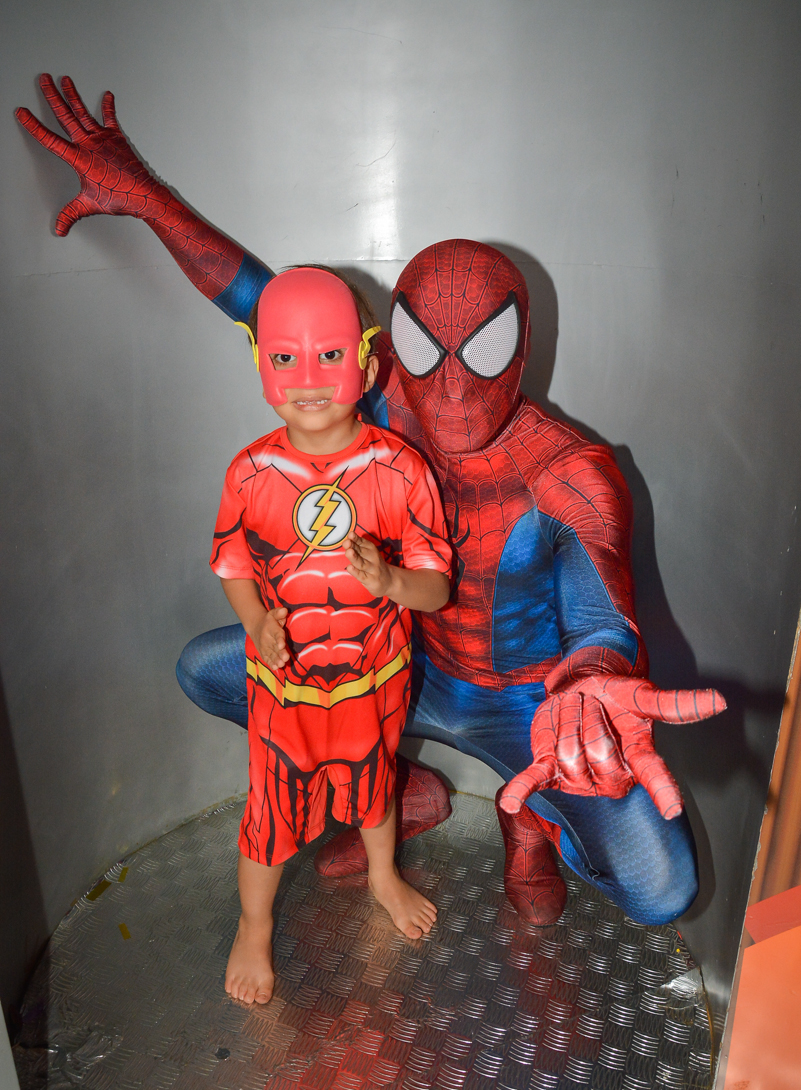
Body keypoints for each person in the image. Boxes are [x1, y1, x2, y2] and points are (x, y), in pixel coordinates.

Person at [16, 77, 725, 933]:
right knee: (212, 668)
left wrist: (594, 681)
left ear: (524, 342)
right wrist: (149, 201)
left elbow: (600, 611)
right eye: (429, 351)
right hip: (399, 671)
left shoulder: (568, 472)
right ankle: (395, 785)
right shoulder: (382, 391)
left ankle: (528, 817)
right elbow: (262, 301)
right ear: (388, 347)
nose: (455, 388)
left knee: (661, 890)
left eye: (486, 348)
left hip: (527, 705)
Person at [214, 266, 451, 1004]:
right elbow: (230, 563)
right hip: (282, 689)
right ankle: (253, 927)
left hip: (373, 681)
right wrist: (257, 624)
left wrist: (388, 584)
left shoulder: (400, 470)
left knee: (374, 788)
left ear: (368, 363)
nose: (307, 378)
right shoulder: (249, 472)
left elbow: (436, 588)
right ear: (259, 363)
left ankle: (382, 874)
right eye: (284, 357)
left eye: (329, 355)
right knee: (269, 812)